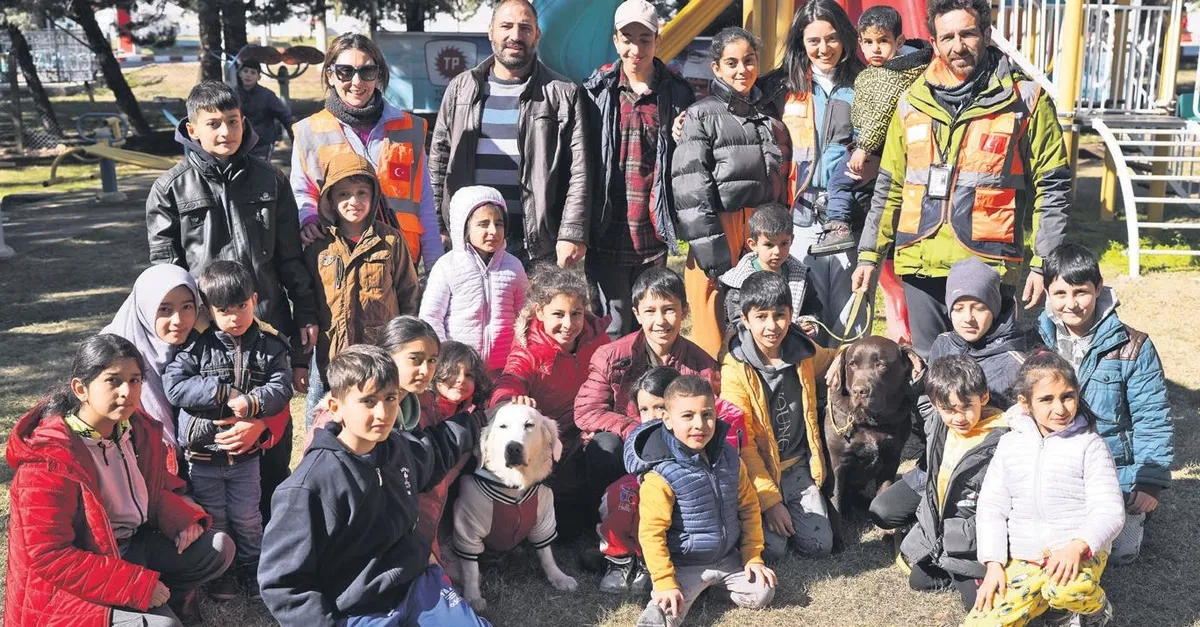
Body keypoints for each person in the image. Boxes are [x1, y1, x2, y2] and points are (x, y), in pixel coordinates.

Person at [855, 0, 1071, 358]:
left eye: (968, 34)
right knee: (929, 373)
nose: (958, 46)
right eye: (947, 37)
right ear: (934, 42)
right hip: (921, 264)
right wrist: (869, 254)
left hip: (986, 265)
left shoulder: (1026, 101)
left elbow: (1053, 187)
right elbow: (889, 187)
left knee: (989, 376)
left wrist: (1043, 261)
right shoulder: (910, 102)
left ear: (986, 34)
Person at [146, 80, 316, 520]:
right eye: (214, 124)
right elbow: (166, 275)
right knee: (209, 446)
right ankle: (216, 539)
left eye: (233, 121)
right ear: (193, 128)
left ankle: (274, 537)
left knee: (271, 447)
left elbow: (291, 260)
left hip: (266, 329)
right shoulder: (170, 188)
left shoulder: (271, 180)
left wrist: (305, 314)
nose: (226, 132)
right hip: (204, 340)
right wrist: (190, 328)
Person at [5, 334, 234, 627]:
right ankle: (150, 607)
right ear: (81, 389)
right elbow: (50, 556)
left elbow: (153, 490)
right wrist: (134, 585)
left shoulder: (136, 430)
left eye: (135, 380)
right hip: (71, 580)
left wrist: (181, 520)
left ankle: (164, 601)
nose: (127, 391)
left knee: (218, 547)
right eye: (113, 381)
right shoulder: (49, 458)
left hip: (131, 547)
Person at [258, 345, 489, 627]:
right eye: (368, 401)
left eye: (390, 398)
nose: (382, 413)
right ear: (336, 408)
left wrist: (480, 419)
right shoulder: (309, 487)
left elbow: (439, 447)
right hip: (358, 609)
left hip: (416, 584)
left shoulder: (399, 448)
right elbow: (282, 583)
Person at [869, 256, 1030, 533]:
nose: (968, 318)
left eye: (978, 307)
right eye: (959, 308)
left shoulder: (1016, 362)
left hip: (986, 475)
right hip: (939, 463)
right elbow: (932, 404)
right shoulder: (943, 344)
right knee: (883, 511)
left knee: (961, 530)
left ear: (994, 306)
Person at [162, 260, 293, 601]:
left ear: (254, 300)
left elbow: (282, 385)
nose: (235, 317)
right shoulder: (195, 346)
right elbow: (175, 387)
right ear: (209, 310)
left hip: (246, 458)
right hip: (203, 457)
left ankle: (253, 568)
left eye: (241, 306)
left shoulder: (269, 344)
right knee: (215, 518)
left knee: (248, 517)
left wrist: (255, 402)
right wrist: (222, 393)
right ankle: (223, 572)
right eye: (224, 310)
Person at [1036, 243, 1172, 565]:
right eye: (1060, 293)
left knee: (1117, 554)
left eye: (1081, 292)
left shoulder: (1134, 346)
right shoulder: (1037, 340)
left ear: (1098, 288)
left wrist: (1149, 481)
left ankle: (1131, 514)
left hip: (1114, 470)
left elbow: (1152, 415)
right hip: (1056, 466)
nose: (1071, 304)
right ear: (1047, 293)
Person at [967, 351, 1125, 627]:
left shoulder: (1090, 445)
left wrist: (1077, 547)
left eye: (1067, 396)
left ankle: (1095, 611)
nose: (1060, 409)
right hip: (1025, 558)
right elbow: (992, 508)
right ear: (1025, 403)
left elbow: (1109, 510)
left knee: (1064, 590)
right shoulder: (1009, 445)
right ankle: (1052, 608)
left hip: (1078, 553)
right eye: (1046, 399)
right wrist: (993, 564)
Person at [430, 0, 590, 269]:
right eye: (506, 26)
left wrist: (572, 232)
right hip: (467, 244)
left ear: (537, 35)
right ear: (490, 31)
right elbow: (439, 161)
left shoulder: (563, 93)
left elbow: (580, 170)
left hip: (536, 248)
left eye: (525, 28)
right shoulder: (461, 89)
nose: (515, 35)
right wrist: (437, 225)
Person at [672, 26, 791, 358]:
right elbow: (690, 185)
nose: (742, 70)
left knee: (759, 316)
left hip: (760, 229)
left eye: (749, 60)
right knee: (711, 326)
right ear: (716, 68)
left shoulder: (767, 113)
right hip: (719, 227)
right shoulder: (701, 114)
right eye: (732, 63)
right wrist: (710, 249)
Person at [582, 0, 696, 338]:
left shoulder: (677, 94)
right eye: (627, 39)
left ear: (657, 41)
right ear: (615, 40)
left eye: (645, 39)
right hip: (606, 231)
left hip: (652, 234)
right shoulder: (595, 91)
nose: (636, 49)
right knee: (611, 330)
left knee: (652, 327)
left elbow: (687, 162)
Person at [575, 267, 720, 533]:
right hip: (626, 447)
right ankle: (606, 522)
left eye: (669, 309)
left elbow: (713, 416)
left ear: (685, 311)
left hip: (678, 450)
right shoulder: (611, 356)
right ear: (636, 314)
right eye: (650, 311)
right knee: (603, 446)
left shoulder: (702, 365)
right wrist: (635, 431)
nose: (660, 321)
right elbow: (587, 410)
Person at [625, 375, 776, 626]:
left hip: (728, 558)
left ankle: (711, 590)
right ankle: (671, 595)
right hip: (684, 565)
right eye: (687, 416)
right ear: (667, 420)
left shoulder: (730, 458)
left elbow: (749, 507)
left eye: (707, 415)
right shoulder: (660, 475)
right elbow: (652, 533)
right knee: (663, 617)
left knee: (763, 591)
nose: (700, 424)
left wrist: (752, 556)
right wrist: (664, 581)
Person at [292, 33, 444, 270]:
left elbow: (424, 202)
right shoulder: (307, 131)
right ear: (330, 75)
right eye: (345, 71)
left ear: (378, 75)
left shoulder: (410, 128)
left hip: (401, 265)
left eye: (367, 71)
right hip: (339, 265)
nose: (357, 81)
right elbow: (301, 192)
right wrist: (308, 218)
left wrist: (435, 268)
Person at [769, 0, 869, 347]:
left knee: (848, 313)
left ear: (845, 38)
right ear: (801, 42)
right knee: (803, 310)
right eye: (813, 40)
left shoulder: (864, 83)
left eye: (831, 38)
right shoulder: (780, 87)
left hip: (849, 212)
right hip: (800, 213)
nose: (823, 48)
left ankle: (847, 379)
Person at [596, 366, 746, 594]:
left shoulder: (702, 430)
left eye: (659, 407)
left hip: (692, 522)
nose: (652, 416)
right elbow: (635, 462)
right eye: (644, 410)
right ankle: (620, 559)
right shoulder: (643, 438)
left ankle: (652, 563)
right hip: (649, 493)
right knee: (623, 494)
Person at [721, 271, 839, 560]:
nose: (771, 326)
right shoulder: (734, 369)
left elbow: (833, 358)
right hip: (758, 470)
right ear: (745, 319)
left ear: (791, 314)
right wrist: (770, 501)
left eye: (779, 315)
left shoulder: (802, 350)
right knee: (773, 550)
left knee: (819, 545)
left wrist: (844, 358)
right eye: (761, 317)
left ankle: (802, 505)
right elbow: (742, 444)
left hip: (797, 466)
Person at [490, 264, 611, 536]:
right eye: (558, 314)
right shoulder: (529, 350)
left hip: (587, 435)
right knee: (566, 528)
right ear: (539, 312)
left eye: (576, 314)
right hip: (549, 447)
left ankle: (605, 512)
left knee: (608, 447)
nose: (568, 324)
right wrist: (509, 399)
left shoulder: (598, 339)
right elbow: (511, 378)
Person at [303, 151, 421, 427]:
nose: (353, 201)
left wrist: (406, 346)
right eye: (343, 194)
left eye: (361, 193)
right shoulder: (319, 246)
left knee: (377, 418)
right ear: (330, 200)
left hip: (379, 352)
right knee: (325, 420)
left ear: (374, 195)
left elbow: (409, 295)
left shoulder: (390, 241)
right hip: (332, 354)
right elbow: (305, 299)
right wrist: (300, 358)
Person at [810, 5, 933, 256]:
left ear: (899, 42)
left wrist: (863, 149)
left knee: (839, 182)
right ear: (860, 43)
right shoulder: (882, 70)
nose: (875, 49)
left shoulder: (891, 76)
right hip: (871, 142)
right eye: (868, 42)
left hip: (871, 143)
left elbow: (880, 116)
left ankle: (838, 227)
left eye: (883, 41)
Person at [897, 355, 1007, 609]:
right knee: (919, 580)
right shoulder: (938, 423)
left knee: (981, 609)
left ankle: (976, 576)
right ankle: (952, 568)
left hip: (974, 541)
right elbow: (921, 400)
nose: (959, 417)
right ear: (937, 406)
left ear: (984, 398)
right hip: (942, 533)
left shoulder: (1003, 440)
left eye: (966, 406)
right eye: (948, 409)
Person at [101, 264, 202, 478]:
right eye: (164, 309)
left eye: (187, 306)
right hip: (132, 471)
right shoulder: (111, 355)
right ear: (145, 309)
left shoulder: (207, 347)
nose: (178, 320)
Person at [419, 186, 529, 374]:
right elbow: (431, 317)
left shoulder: (514, 267)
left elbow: (525, 315)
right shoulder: (447, 266)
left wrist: (520, 355)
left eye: (499, 224)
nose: (493, 231)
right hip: (458, 371)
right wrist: (446, 357)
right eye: (483, 224)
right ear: (464, 227)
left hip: (504, 368)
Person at [418, 341, 491, 556]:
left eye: (469, 375)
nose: (461, 380)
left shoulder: (473, 412)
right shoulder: (424, 410)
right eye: (452, 372)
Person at [719, 204, 822, 337]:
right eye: (769, 245)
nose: (777, 252)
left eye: (784, 244)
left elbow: (812, 305)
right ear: (753, 244)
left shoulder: (800, 276)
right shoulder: (739, 282)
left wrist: (811, 322)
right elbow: (737, 322)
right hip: (753, 345)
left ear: (791, 240)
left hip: (793, 343)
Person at [235, 60, 294, 162]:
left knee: (260, 170)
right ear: (240, 73)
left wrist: (295, 140)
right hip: (239, 144)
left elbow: (286, 118)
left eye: (253, 72)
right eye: (245, 71)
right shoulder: (233, 94)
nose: (248, 75)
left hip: (262, 144)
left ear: (259, 77)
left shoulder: (267, 95)